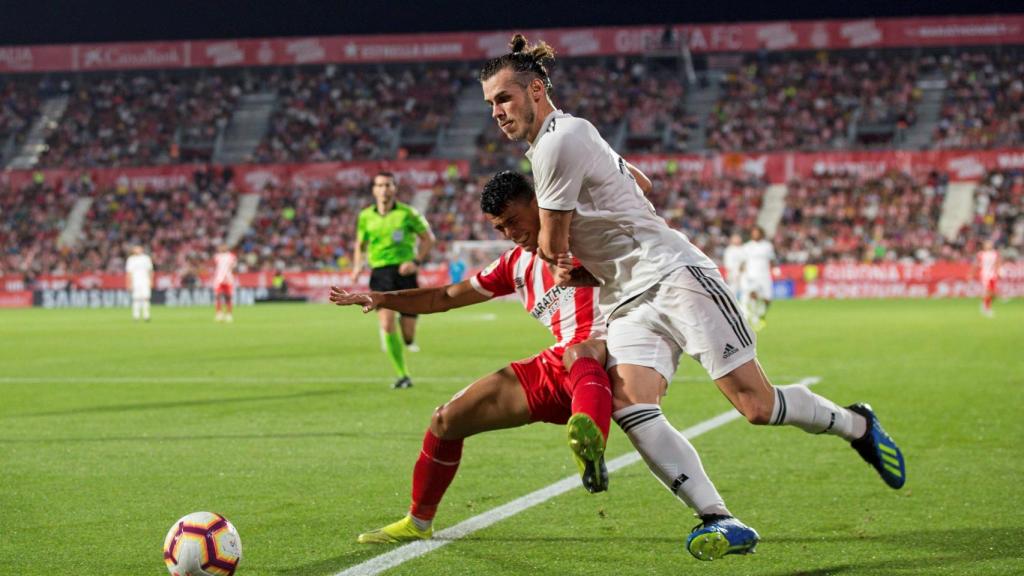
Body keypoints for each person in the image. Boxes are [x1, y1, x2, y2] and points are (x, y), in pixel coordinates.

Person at [480, 34, 906, 561]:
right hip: (626, 298)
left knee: (755, 405)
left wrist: (565, 256)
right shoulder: (571, 135)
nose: (497, 112)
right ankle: (720, 519)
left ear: (536, 90)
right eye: (490, 104)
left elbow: (552, 244)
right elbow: (643, 181)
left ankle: (857, 424)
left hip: (674, 276)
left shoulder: (555, 143)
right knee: (632, 404)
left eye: (504, 98)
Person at [332, 171, 612, 543]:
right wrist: (384, 298)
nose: (511, 233)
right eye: (500, 228)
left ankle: (592, 445)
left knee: (582, 352)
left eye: (514, 221)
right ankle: (418, 522)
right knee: (445, 420)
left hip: (613, 356)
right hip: (560, 365)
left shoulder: (585, 235)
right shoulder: (515, 264)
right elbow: (446, 297)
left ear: (538, 204)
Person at [350, 172, 436, 389]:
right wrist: (357, 265)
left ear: (394, 188)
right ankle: (403, 375)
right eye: (379, 185)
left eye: (387, 185)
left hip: (405, 273)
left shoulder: (408, 213)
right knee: (387, 323)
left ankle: (406, 337)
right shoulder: (365, 216)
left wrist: (416, 262)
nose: (383, 189)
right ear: (373, 189)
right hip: (380, 274)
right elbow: (360, 245)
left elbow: (428, 239)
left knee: (408, 334)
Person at [739, 226, 775, 331]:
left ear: (761, 233)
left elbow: (772, 260)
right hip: (752, 275)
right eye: (753, 232)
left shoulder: (767, 246)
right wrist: (741, 274)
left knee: (768, 299)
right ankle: (754, 318)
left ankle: (761, 315)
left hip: (765, 275)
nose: (755, 234)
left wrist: (775, 270)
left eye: (757, 232)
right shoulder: (747, 246)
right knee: (753, 295)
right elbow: (743, 262)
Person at [125, 245, 153, 322]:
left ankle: (146, 316)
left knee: (146, 298)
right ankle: (136, 316)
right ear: (133, 250)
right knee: (136, 299)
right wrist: (128, 283)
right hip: (135, 281)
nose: (137, 250)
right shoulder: (131, 259)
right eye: (135, 248)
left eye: (138, 248)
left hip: (145, 281)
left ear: (142, 249)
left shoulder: (146, 258)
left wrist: (151, 281)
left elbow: (150, 271)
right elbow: (129, 273)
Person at [975, 240, 1001, 318]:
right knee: (989, 291)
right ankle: (987, 309)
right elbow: (976, 264)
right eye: (987, 244)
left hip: (993, 275)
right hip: (985, 275)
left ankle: (984, 304)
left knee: (994, 294)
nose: (989, 245)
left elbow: (998, 262)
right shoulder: (981, 254)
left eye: (990, 244)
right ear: (984, 246)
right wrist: (972, 273)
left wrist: (999, 271)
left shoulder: (995, 253)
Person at [213, 244, 237, 322]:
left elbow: (233, 266)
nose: (221, 248)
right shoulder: (217, 256)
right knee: (218, 296)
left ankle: (229, 314)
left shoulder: (231, 256)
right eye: (221, 247)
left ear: (226, 247)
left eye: (223, 246)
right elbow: (216, 264)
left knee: (228, 297)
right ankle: (219, 313)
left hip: (228, 279)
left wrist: (229, 271)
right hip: (219, 279)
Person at [722, 233, 745, 300]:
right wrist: (731, 274)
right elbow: (728, 264)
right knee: (733, 291)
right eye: (735, 238)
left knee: (744, 291)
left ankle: (744, 307)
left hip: (743, 273)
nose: (737, 240)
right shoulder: (729, 250)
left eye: (738, 238)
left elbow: (745, 261)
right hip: (733, 273)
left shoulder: (743, 249)